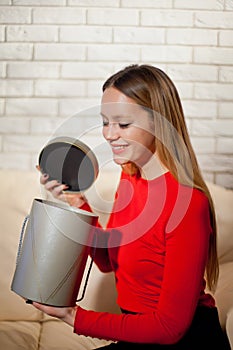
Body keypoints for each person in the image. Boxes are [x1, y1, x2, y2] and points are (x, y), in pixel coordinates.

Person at [32, 64, 230, 349]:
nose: (109, 135)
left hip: (183, 342)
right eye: (104, 122)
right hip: (139, 335)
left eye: (123, 124)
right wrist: (78, 203)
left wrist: (74, 317)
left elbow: (169, 328)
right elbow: (108, 263)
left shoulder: (187, 205)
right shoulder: (129, 179)